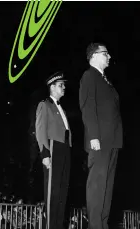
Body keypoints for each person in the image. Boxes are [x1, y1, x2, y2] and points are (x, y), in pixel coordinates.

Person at [79, 43, 123, 229]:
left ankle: (103, 225)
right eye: (105, 53)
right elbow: (87, 106)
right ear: (94, 56)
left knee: (107, 187)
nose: (109, 56)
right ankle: (95, 226)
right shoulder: (89, 76)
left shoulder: (105, 80)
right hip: (99, 140)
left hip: (113, 140)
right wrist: (93, 136)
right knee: (97, 186)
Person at [35, 72, 72, 229]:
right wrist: (45, 153)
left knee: (62, 194)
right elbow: (40, 130)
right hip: (53, 148)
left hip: (65, 149)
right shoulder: (45, 105)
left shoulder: (61, 107)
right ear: (52, 87)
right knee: (52, 194)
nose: (63, 87)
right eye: (60, 85)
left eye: (64, 85)